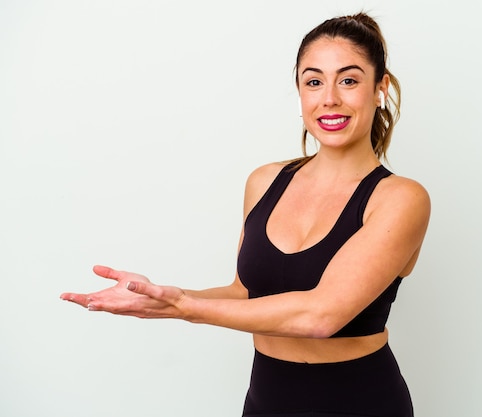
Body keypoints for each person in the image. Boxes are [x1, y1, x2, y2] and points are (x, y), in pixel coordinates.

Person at [61, 12, 430, 417]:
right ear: (300, 92)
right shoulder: (265, 181)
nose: (329, 99)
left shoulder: (400, 198)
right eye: (313, 81)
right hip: (266, 400)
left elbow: (321, 315)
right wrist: (158, 299)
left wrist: (185, 306)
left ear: (380, 88)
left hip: (360, 402)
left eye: (348, 80)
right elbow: (244, 293)